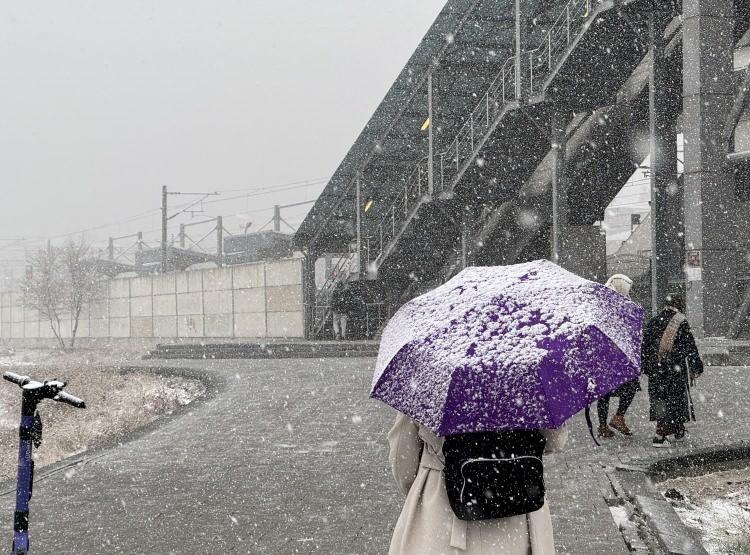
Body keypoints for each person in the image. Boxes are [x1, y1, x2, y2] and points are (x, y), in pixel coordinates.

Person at [387, 413, 568, 554]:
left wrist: (419, 493)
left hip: (443, 510)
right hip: (517, 508)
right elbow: (554, 441)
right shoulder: (526, 377)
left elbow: (403, 460)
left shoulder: (428, 379)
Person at [641, 292, 704, 448]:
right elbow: (690, 347)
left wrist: (648, 367)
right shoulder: (681, 322)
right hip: (674, 369)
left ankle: (678, 430)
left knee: (659, 399)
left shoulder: (654, 321)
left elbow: (644, 347)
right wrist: (697, 367)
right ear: (680, 306)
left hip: (657, 369)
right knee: (676, 399)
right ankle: (660, 436)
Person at [597, 274, 640, 438]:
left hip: (603, 356)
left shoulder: (603, 300)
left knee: (604, 392)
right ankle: (618, 416)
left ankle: (603, 426)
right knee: (631, 384)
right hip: (616, 354)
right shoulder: (616, 303)